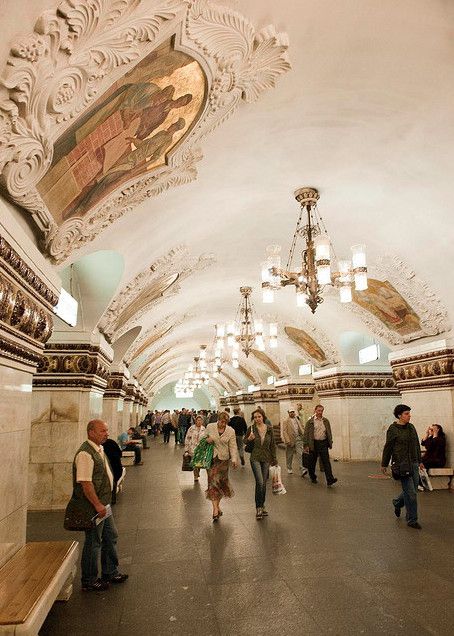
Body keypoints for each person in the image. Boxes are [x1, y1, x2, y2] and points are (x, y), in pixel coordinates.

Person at [73, 419, 128, 591]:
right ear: (91, 432)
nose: (107, 433)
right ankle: (89, 579)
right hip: (93, 506)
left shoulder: (99, 449)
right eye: (103, 431)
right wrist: (97, 505)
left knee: (111, 535)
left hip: (104, 503)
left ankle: (110, 571)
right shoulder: (85, 454)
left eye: (107, 430)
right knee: (93, 541)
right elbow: (85, 483)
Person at [381, 404, 424, 529]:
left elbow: (416, 444)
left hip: (414, 463)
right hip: (402, 465)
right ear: (399, 415)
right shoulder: (393, 429)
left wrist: (420, 461)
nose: (409, 416)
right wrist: (384, 463)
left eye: (409, 413)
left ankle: (397, 502)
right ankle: (412, 520)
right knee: (411, 493)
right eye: (406, 413)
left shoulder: (411, 427)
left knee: (412, 490)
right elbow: (388, 447)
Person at [204, 411, 238, 521]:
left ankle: (217, 507)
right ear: (218, 420)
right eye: (221, 422)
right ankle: (214, 510)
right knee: (213, 483)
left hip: (223, 461)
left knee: (221, 483)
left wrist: (234, 459)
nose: (223, 424)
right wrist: (207, 440)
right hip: (212, 459)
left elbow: (233, 446)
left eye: (225, 423)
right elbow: (202, 438)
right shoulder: (210, 427)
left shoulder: (230, 431)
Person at [245, 409, 278, 520]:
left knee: (263, 483)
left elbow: (273, 444)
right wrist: (249, 439)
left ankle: (262, 505)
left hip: (266, 457)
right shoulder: (251, 429)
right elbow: (245, 441)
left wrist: (274, 458)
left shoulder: (269, 429)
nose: (257, 419)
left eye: (259, 416)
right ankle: (258, 507)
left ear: (263, 417)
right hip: (255, 457)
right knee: (259, 481)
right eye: (255, 417)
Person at [303, 405, 337, 486]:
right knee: (312, 463)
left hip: (323, 443)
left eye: (321, 411)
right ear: (315, 410)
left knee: (326, 462)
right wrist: (306, 445)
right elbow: (306, 434)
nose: (320, 412)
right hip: (314, 443)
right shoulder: (310, 422)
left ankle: (330, 479)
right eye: (318, 410)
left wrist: (330, 441)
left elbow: (328, 432)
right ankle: (313, 476)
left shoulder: (325, 421)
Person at [184, 415, 206, 481]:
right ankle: (195, 475)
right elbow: (187, 438)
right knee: (195, 463)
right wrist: (186, 450)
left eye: (200, 420)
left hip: (200, 449)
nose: (199, 422)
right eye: (198, 420)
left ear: (202, 421)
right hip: (192, 447)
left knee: (199, 463)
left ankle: (197, 473)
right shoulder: (191, 428)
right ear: (195, 421)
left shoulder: (204, 429)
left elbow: (205, 438)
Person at [281, 409, 304, 474]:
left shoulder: (297, 419)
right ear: (288, 413)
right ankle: (289, 467)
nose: (292, 413)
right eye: (291, 412)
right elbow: (284, 431)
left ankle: (302, 469)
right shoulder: (286, 421)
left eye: (293, 412)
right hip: (290, 440)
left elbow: (301, 427)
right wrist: (287, 440)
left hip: (298, 438)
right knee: (289, 455)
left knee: (300, 454)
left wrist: (302, 434)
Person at [102, 437, 123, 505]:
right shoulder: (112, 442)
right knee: (114, 482)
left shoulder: (100, 446)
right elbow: (120, 453)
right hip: (117, 468)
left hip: (109, 468)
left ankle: (107, 501)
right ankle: (113, 499)